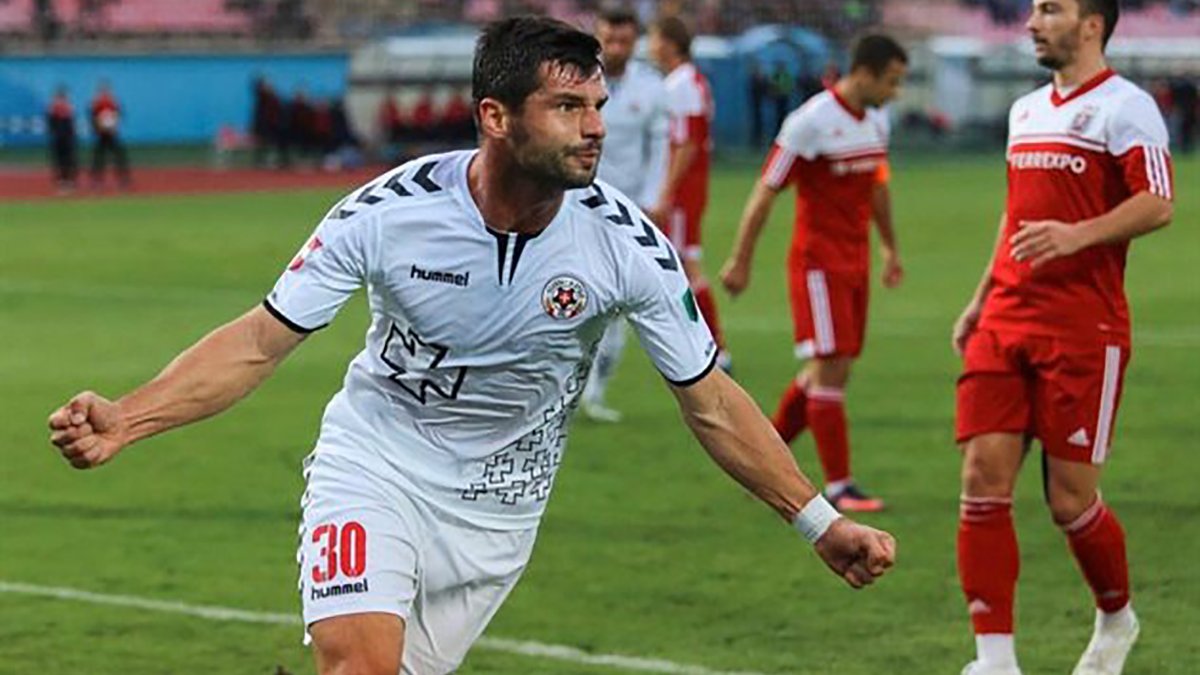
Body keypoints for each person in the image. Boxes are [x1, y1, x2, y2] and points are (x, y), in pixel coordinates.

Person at [47, 17, 896, 675]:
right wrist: (129, 416)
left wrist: (817, 520)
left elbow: (709, 401)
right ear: (495, 115)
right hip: (374, 466)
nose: (594, 129)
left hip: (498, 513)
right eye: (567, 108)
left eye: (597, 107)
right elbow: (260, 341)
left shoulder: (628, 246)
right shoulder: (388, 212)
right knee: (359, 664)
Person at [951, 2, 1174, 673]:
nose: (1032, 21)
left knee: (1069, 501)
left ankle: (1117, 616)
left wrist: (1078, 235)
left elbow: (1157, 202)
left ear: (1092, 24)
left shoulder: (1127, 107)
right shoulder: (1024, 111)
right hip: (1005, 319)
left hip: (1082, 329)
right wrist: (981, 297)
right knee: (981, 478)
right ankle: (995, 660)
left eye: (1050, 8)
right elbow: (1015, 214)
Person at [719, 34, 908, 513]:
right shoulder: (809, 122)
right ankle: (840, 486)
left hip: (855, 262)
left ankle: (760, 462)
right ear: (863, 73)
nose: (896, 92)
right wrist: (741, 258)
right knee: (829, 370)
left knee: (831, 368)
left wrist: (889, 246)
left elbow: (878, 188)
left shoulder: (877, 121)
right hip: (818, 265)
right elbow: (766, 190)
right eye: (891, 81)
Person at [580, 8, 669, 423]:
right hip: (575, 204)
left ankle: (594, 392)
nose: (616, 48)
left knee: (616, 303)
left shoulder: (651, 88)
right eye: (609, 40)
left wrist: (653, 199)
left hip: (627, 210)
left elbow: (660, 147)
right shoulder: (575, 81)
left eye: (625, 41)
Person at [647, 16, 730, 371]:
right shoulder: (687, 81)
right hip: (688, 187)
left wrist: (666, 192)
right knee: (681, 262)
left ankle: (716, 348)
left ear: (669, 43)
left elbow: (688, 143)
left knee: (686, 264)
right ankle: (703, 345)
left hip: (683, 190)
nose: (650, 46)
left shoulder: (681, 85)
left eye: (653, 39)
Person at [89, 80, 131, 190]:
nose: (104, 92)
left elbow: (118, 115)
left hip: (111, 133)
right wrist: (97, 128)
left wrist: (114, 127)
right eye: (102, 90)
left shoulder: (113, 101)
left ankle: (123, 179)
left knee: (119, 155)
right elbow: (93, 117)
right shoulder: (96, 102)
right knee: (98, 157)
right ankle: (97, 180)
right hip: (101, 134)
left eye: (106, 90)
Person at [46, 85, 78, 194]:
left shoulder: (65, 107)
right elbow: (51, 123)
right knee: (63, 160)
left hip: (64, 138)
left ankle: (66, 181)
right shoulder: (56, 108)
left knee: (66, 160)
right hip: (62, 138)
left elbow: (69, 124)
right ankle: (64, 181)